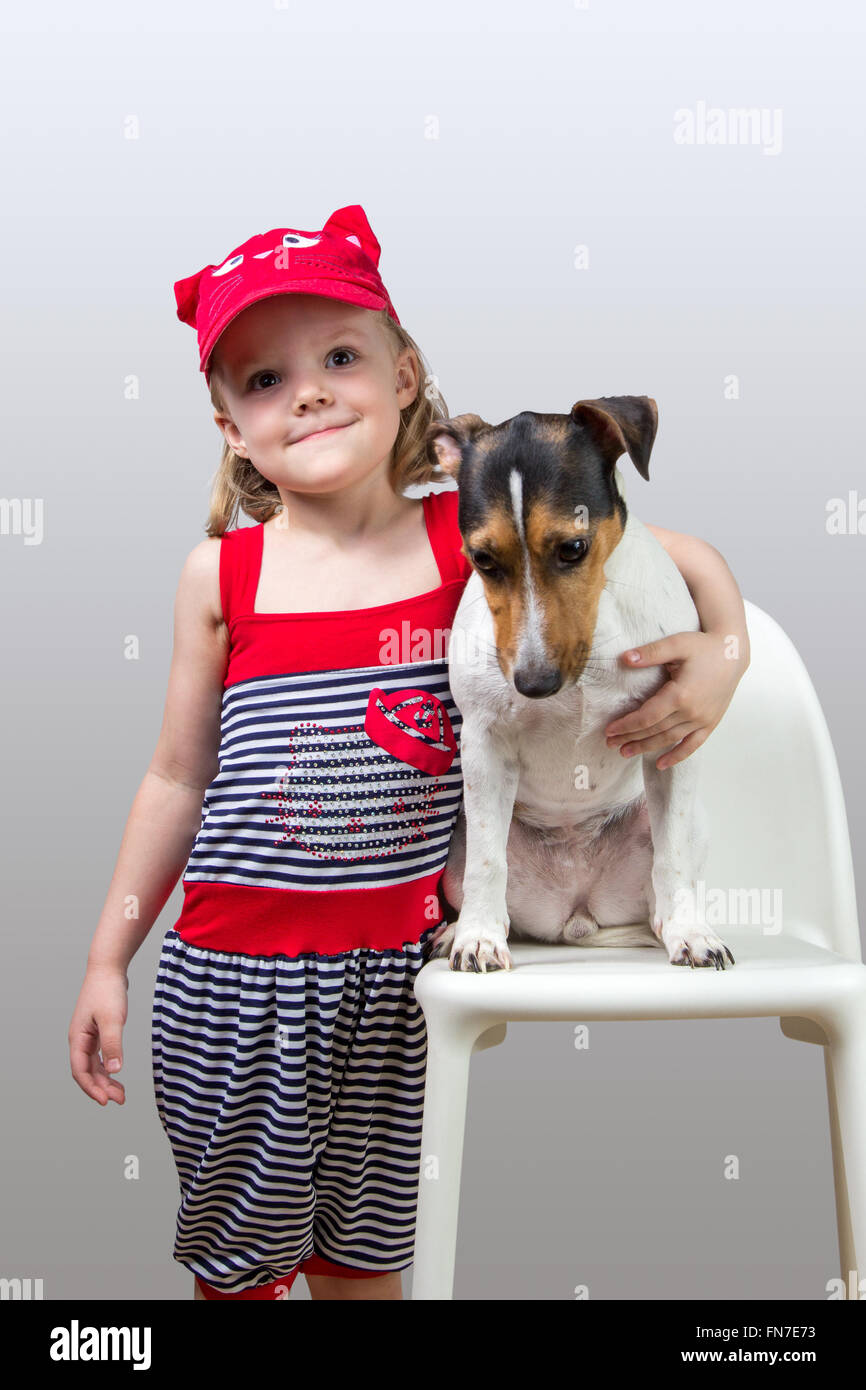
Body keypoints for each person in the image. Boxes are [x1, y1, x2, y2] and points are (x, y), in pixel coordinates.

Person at [68, 204, 751, 1301]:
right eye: (262, 380)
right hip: (235, 982)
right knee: (239, 1275)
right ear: (228, 428)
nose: (309, 390)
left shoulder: (468, 540)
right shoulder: (221, 577)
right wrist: (109, 955)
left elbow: (678, 557)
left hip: (398, 979)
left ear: (406, 379)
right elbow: (174, 777)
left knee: (368, 1267)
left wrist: (723, 655)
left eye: (339, 356)